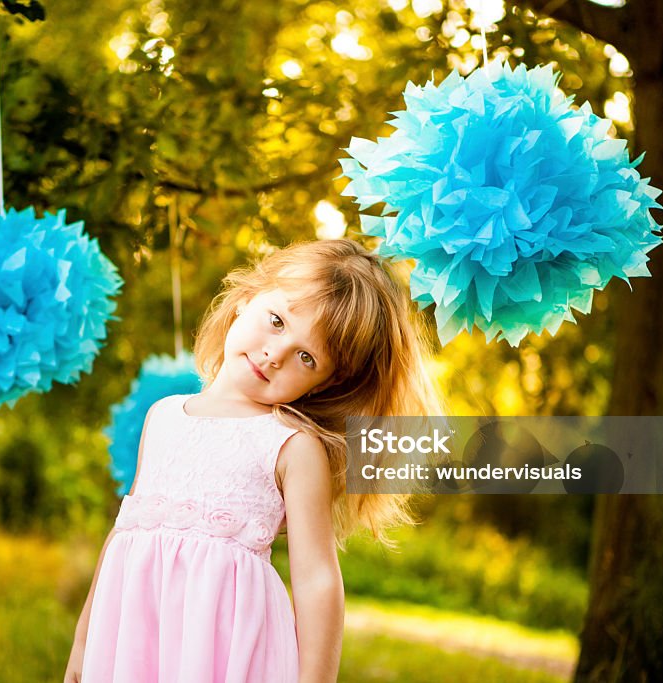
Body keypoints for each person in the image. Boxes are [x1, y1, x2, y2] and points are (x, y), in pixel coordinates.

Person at [64, 239, 445, 683]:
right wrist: (84, 641)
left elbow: (318, 579)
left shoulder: (291, 447)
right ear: (247, 297)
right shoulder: (163, 416)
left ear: (326, 382)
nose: (275, 355)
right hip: (138, 641)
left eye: (307, 357)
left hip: (224, 654)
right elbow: (124, 532)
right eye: (277, 321)